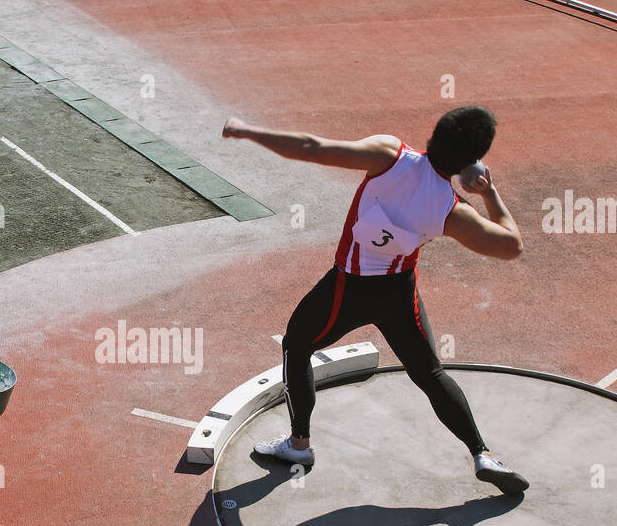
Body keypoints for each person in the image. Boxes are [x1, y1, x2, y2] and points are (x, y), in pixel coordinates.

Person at [221, 105, 529, 494]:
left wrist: (249, 130)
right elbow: (512, 246)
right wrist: (489, 191)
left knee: (297, 346)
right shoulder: (453, 210)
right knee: (430, 373)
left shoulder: (389, 154)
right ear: (470, 161)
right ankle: (482, 453)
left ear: (434, 134)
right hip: (399, 293)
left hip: (346, 289)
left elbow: (312, 147)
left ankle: (299, 446)